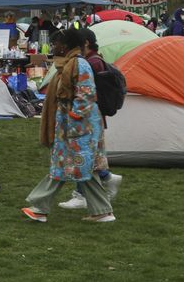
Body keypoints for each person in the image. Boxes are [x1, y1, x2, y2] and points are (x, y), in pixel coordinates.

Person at [21, 28, 115, 223]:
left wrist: (73, 115)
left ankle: (40, 207)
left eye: (57, 43)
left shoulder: (80, 64)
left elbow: (86, 94)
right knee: (83, 168)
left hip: (79, 127)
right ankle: (102, 212)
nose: (54, 46)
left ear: (66, 45)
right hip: (72, 126)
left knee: (63, 167)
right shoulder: (68, 64)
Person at [59, 28, 122, 210]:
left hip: (87, 117)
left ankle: (83, 194)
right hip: (92, 116)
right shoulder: (94, 60)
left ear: (84, 43)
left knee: (83, 154)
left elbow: (86, 92)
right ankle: (106, 178)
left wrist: (76, 113)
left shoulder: (89, 63)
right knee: (89, 155)